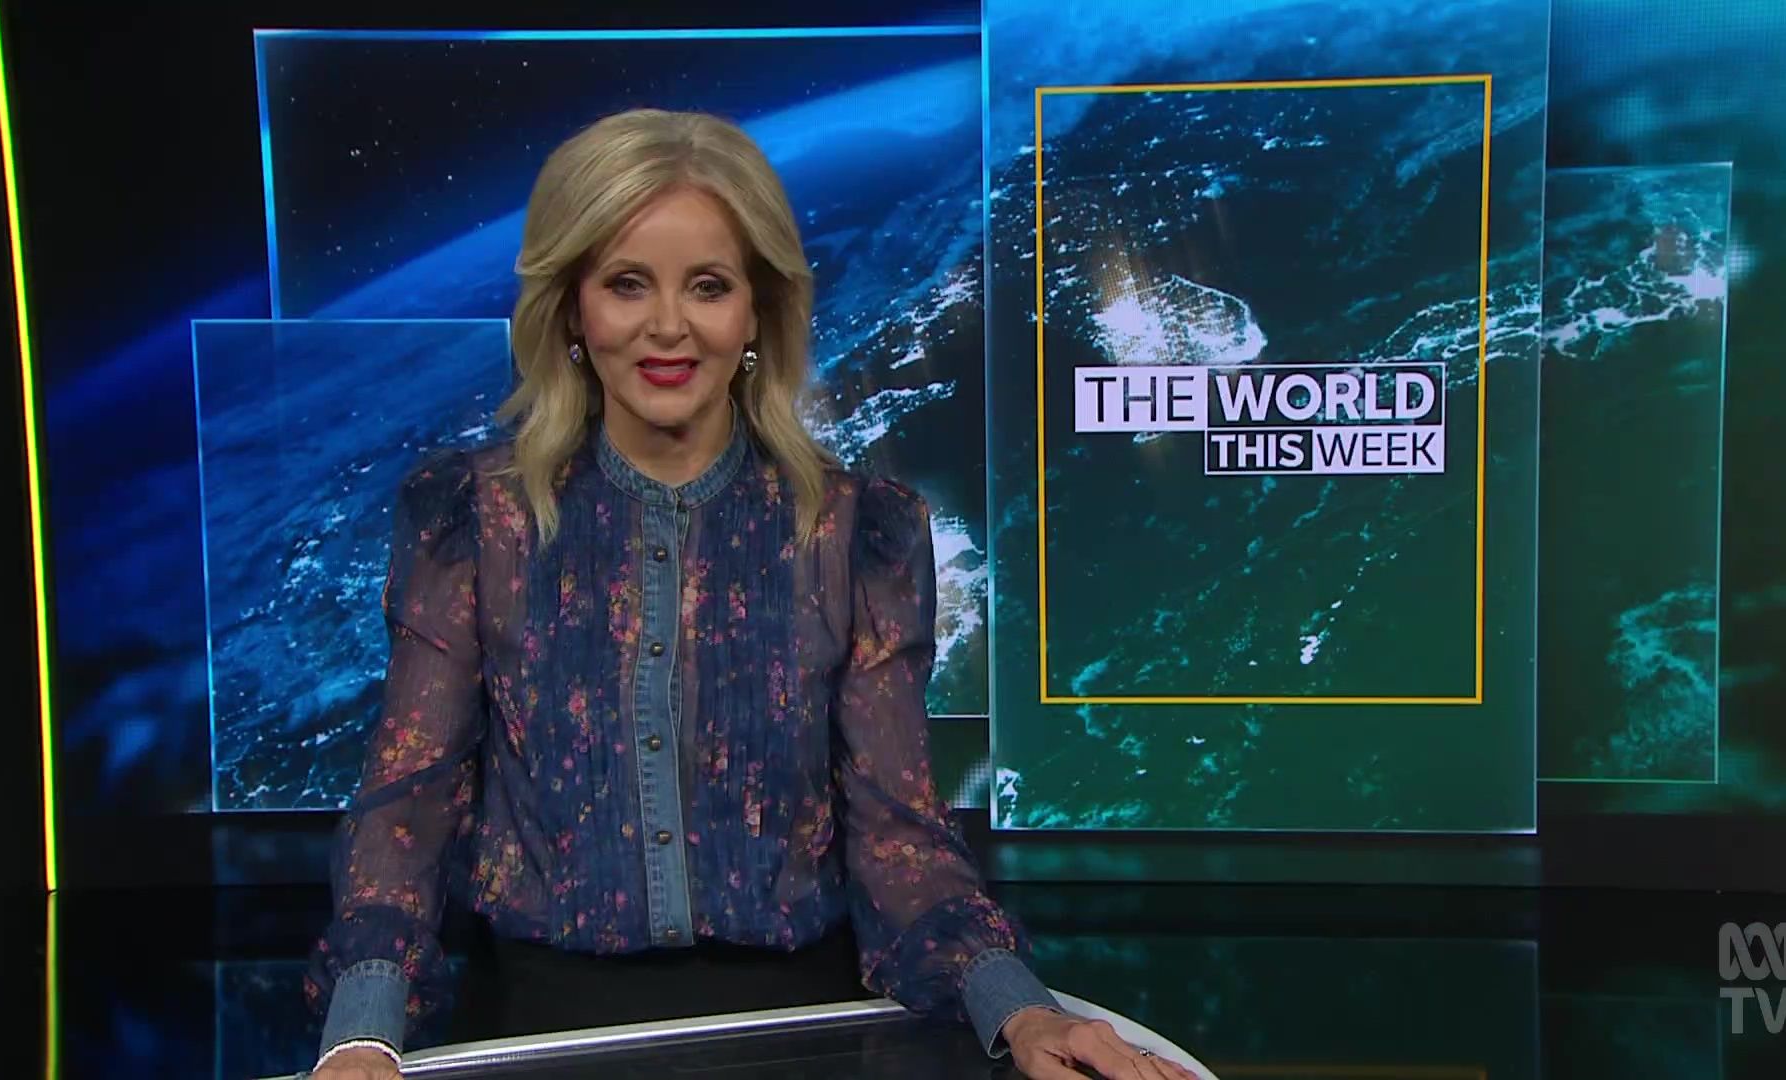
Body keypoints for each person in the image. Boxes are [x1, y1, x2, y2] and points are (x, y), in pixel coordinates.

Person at [303, 108, 1196, 1080]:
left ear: (758, 310)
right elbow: (407, 808)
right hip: (543, 1026)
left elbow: (900, 841)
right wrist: (361, 1036)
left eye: (709, 286)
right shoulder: (476, 522)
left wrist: (1019, 1012)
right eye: (627, 284)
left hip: (802, 1033)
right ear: (571, 309)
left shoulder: (856, 533)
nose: (669, 326)